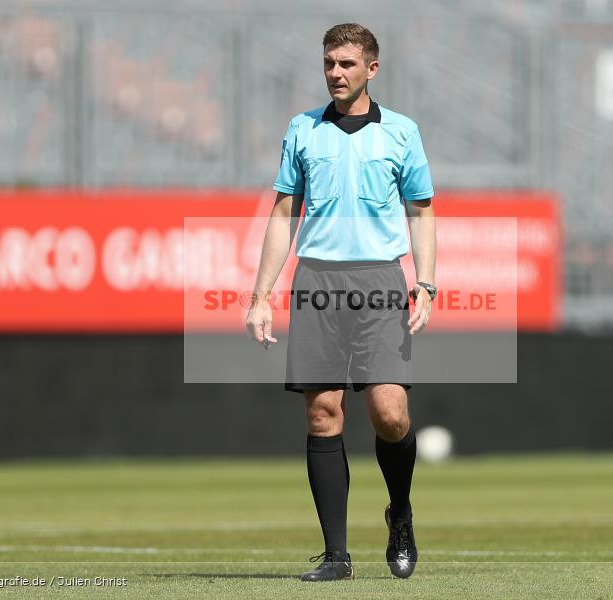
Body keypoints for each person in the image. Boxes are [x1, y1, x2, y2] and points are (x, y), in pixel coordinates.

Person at [245, 22, 436, 582]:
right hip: (317, 284)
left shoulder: (402, 132)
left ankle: (399, 512)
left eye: (347, 64)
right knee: (323, 413)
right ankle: (336, 557)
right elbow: (284, 214)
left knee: (389, 412)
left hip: (379, 281)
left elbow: (421, 211)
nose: (336, 73)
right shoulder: (302, 131)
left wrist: (425, 282)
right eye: (330, 62)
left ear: (371, 69)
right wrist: (261, 297)